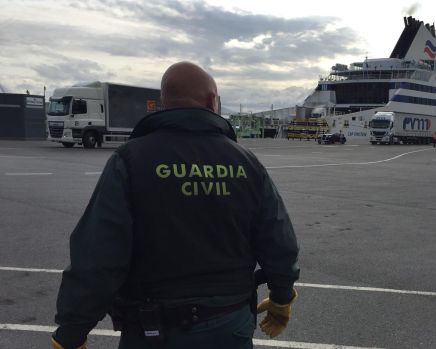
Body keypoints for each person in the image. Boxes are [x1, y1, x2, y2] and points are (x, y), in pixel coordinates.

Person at [52, 62, 300, 349]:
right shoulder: (246, 163)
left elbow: (97, 256)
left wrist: (72, 331)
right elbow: (279, 242)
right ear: (211, 102)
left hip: (154, 329)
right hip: (228, 324)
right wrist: (282, 298)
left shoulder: (130, 160)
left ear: (164, 104)